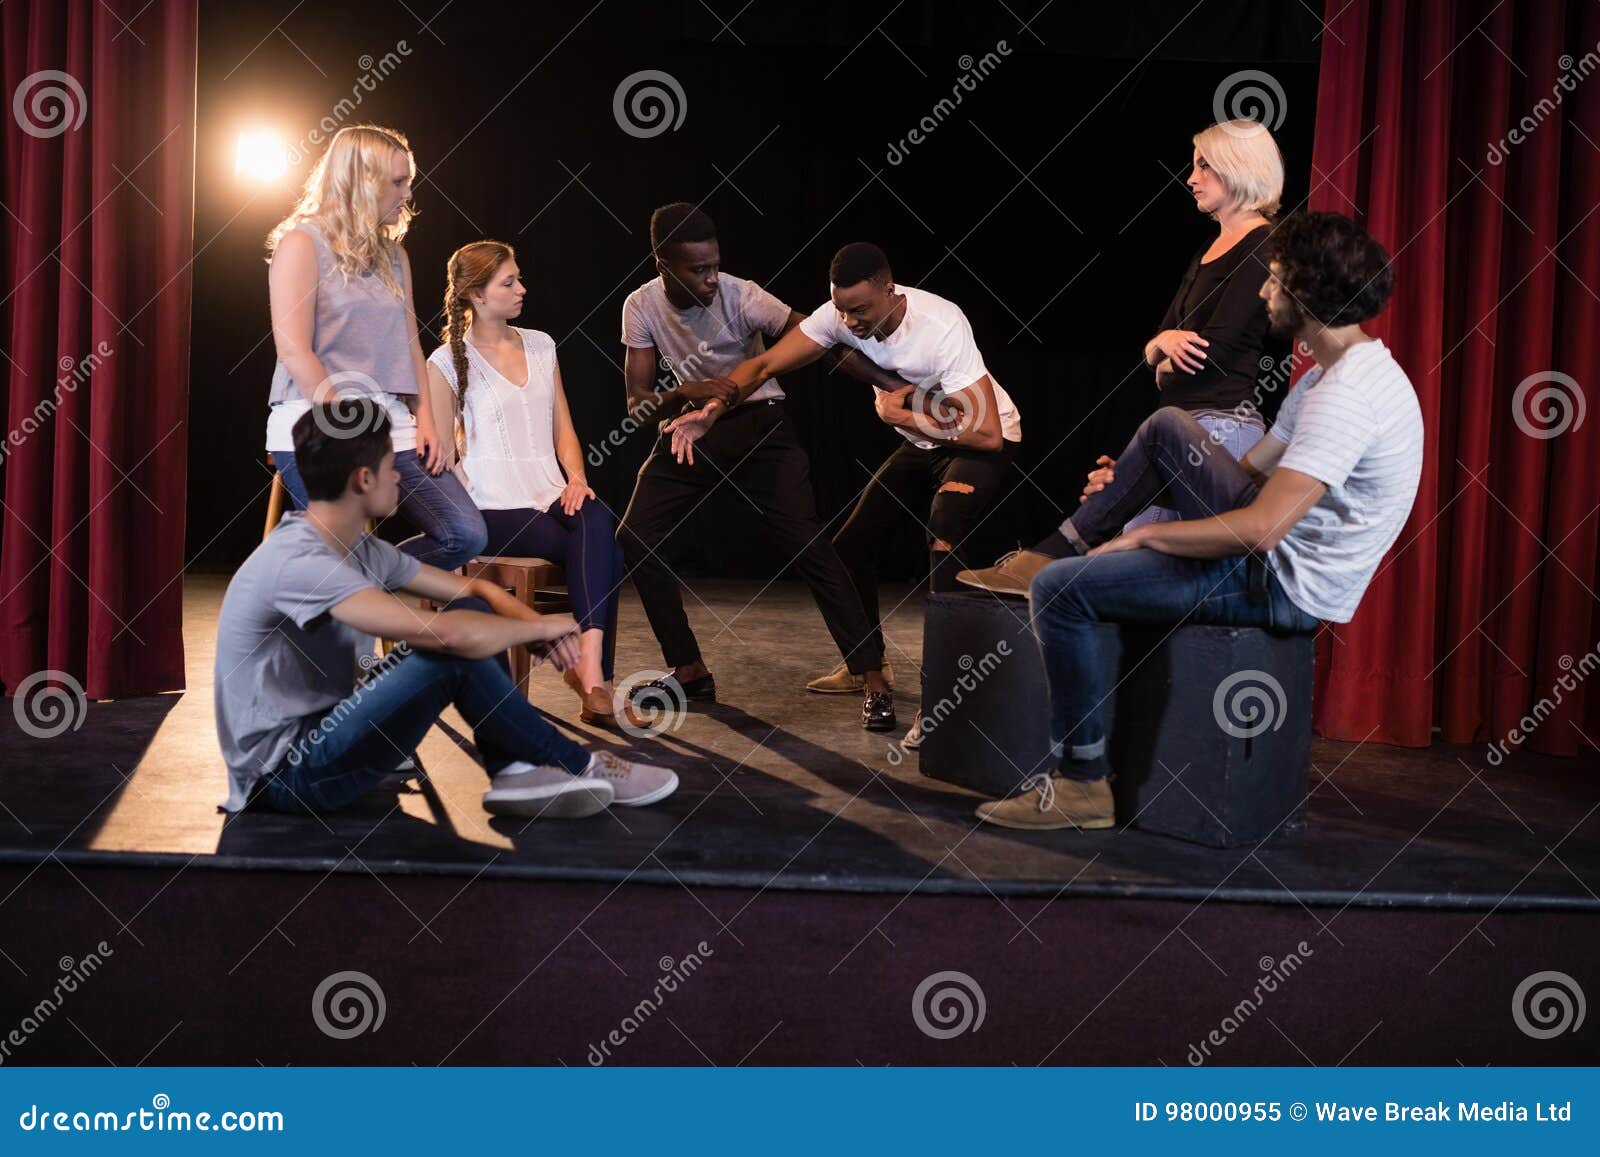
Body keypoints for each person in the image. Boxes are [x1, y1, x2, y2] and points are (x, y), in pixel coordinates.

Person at [974, 211, 1422, 831]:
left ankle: (1080, 786)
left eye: (1273, 279)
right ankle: (1065, 540)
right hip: (1268, 553)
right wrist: (1132, 480)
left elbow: (1263, 526)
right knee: (1167, 428)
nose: (1264, 291)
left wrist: (1147, 533)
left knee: (1060, 591)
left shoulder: (1347, 398)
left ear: (1305, 292)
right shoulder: (1329, 374)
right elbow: (1245, 470)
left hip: (1280, 584)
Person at [215, 401, 679, 819]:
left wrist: (518, 616)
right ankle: (582, 764)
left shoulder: (355, 547)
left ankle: (514, 770)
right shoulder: (300, 560)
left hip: (327, 741)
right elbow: (447, 636)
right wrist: (540, 627)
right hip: (286, 777)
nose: (400, 475)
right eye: (390, 465)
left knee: (474, 611)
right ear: (364, 479)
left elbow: (474, 591)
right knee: (448, 649)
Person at [667, 241, 1023, 747]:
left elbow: (985, 433)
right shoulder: (838, 316)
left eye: (861, 310)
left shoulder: (941, 324)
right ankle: (867, 666)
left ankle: (944, 694)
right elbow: (764, 366)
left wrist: (905, 417)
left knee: (943, 530)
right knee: (850, 546)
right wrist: (713, 411)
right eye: (841, 310)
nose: (850, 323)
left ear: (888, 288)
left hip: (984, 440)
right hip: (923, 440)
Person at [957, 118, 1287, 596]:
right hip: (1177, 423)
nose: (1191, 178)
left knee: (1130, 559)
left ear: (1239, 169)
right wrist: (1161, 349)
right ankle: (1048, 565)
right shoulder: (1207, 249)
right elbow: (1158, 343)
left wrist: (1165, 355)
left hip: (1220, 429)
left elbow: (1211, 355)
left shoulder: (1263, 245)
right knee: (1123, 553)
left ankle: (1046, 558)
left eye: (1204, 166)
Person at [615, 204, 903, 731]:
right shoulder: (641, 306)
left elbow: (822, 342)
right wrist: (683, 391)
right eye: (696, 269)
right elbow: (636, 401)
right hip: (694, 427)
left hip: (762, 425)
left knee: (810, 544)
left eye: (713, 265)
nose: (709, 278)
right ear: (662, 263)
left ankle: (873, 678)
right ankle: (689, 668)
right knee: (636, 537)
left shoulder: (742, 294)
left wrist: (890, 385)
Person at [264, 124, 487, 570]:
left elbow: (410, 345)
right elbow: (294, 351)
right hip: (319, 420)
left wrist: (426, 420)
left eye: (409, 181)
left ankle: (365, 582)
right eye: (398, 182)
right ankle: (344, 600)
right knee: (337, 552)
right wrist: (349, 426)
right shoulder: (301, 244)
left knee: (464, 534)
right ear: (362, 182)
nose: (408, 194)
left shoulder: (394, 256)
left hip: (392, 421)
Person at [426, 240, 630, 728]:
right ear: (476, 294)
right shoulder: (445, 361)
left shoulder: (541, 344)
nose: (522, 288)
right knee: (607, 552)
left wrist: (577, 479)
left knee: (598, 517)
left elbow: (564, 429)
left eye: (519, 277)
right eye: (508, 282)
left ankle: (588, 667)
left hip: (548, 491)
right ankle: (594, 681)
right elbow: (443, 459)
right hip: (489, 505)